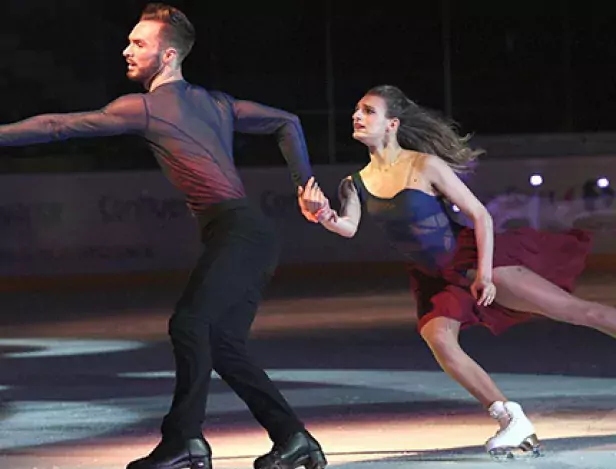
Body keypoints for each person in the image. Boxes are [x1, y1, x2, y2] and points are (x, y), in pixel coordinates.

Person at [0, 4, 326, 469]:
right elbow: (286, 122)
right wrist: (303, 184)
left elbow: (56, 127)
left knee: (190, 325)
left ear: (168, 55)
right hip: (246, 232)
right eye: (129, 40)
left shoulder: (147, 107)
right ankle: (295, 441)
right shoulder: (217, 102)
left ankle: (185, 442)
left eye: (139, 43)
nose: (126, 49)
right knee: (224, 346)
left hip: (237, 231)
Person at [298, 84, 616, 459]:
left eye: (368, 110)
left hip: (471, 259)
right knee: (440, 339)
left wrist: (484, 274)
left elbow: (480, 215)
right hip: (431, 275)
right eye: (357, 109)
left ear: (392, 124)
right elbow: (347, 227)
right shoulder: (356, 183)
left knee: (578, 312)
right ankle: (510, 418)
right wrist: (321, 215)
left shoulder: (424, 166)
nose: (357, 115)